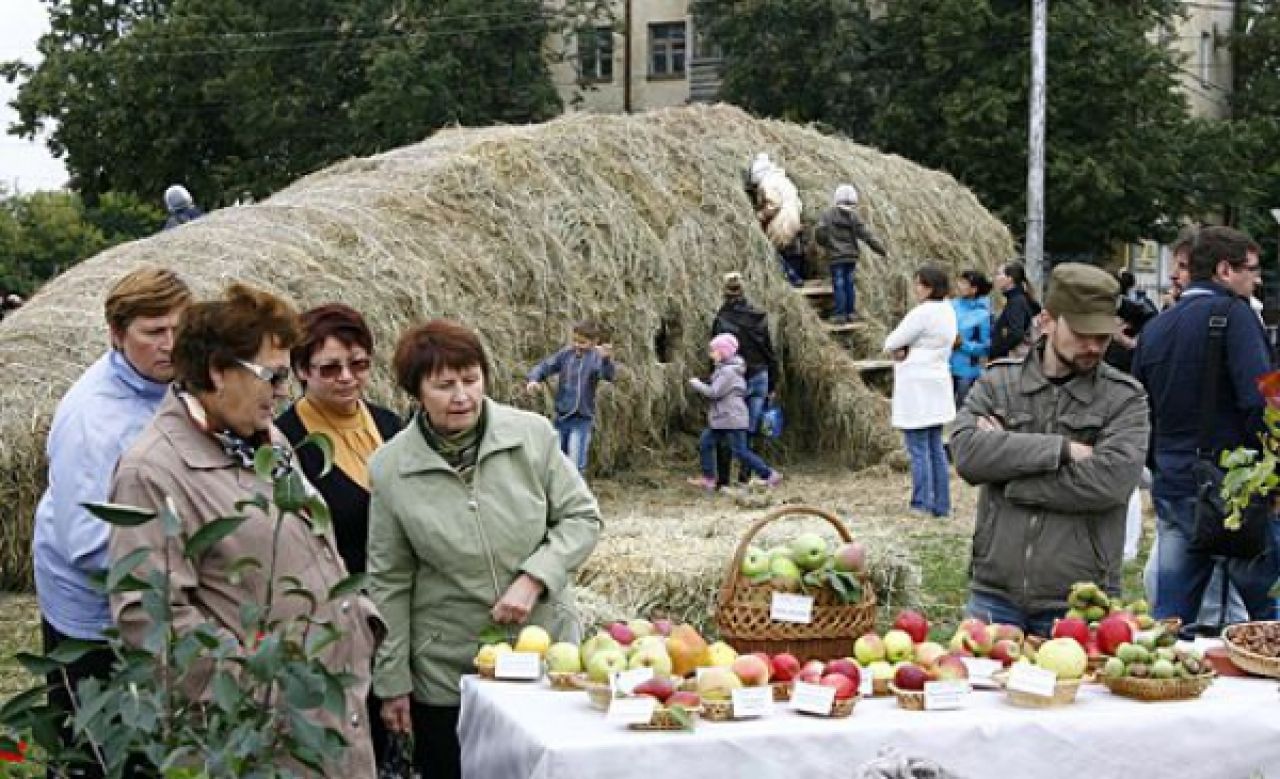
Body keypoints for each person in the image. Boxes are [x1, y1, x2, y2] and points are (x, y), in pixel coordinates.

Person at [108, 284, 383, 778]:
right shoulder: (154, 471)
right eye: (272, 376)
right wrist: (269, 694)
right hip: (263, 742)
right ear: (217, 371)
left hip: (334, 714)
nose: (282, 392)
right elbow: (153, 623)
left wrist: (359, 625)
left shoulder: (263, 438)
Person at [369, 319, 602, 779]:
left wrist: (534, 578)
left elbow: (582, 517)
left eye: (471, 380)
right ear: (416, 391)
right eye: (444, 385)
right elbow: (389, 579)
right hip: (450, 667)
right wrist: (392, 681)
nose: (462, 396)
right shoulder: (391, 467)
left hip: (547, 654)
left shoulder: (531, 435)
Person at [31, 267, 191, 779]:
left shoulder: (172, 383)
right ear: (117, 335)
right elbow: (90, 545)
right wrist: (193, 569)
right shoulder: (92, 419)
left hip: (154, 596)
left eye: (178, 329)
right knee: (98, 748)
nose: (170, 345)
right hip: (96, 619)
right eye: (153, 332)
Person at [952, 263, 1149, 636]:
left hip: (1081, 599)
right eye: (1081, 334)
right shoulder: (999, 382)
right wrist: (1060, 449)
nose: (1093, 347)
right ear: (1046, 321)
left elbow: (1111, 481)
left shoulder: (1125, 399)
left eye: (1103, 337)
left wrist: (1013, 480)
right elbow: (966, 454)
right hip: (993, 594)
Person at [1132, 226, 1280, 627]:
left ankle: (1166, 680)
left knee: (1171, 619)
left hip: (1175, 483)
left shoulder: (1155, 329)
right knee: (1268, 614)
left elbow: (1140, 412)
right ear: (1224, 270)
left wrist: (1162, 464)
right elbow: (1264, 402)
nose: (1258, 279)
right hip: (1236, 489)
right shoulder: (1237, 317)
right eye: (1252, 269)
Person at [275, 304, 403, 766]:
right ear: (300, 370)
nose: (347, 377)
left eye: (359, 364)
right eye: (329, 368)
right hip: (335, 622)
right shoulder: (284, 442)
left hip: (399, 610)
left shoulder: (391, 425)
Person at [884, 265, 958, 518]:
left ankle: (921, 502)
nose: (915, 289)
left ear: (928, 287)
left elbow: (891, 341)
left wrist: (903, 348)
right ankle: (941, 504)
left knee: (918, 449)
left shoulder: (922, 313)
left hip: (916, 383)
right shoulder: (948, 310)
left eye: (918, 284)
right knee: (935, 446)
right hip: (937, 380)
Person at [710, 272, 780, 489]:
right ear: (743, 290)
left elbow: (717, 355)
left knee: (724, 427)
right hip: (760, 376)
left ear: (724, 291)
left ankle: (723, 480)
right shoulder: (758, 316)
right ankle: (745, 477)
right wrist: (774, 383)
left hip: (733, 381)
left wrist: (713, 384)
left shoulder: (721, 319)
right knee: (749, 429)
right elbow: (769, 351)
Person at [687, 333, 782, 491]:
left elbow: (714, 392)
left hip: (732, 418)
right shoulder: (725, 369)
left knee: (740, 451)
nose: (711, 354)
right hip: (724, 418)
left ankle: (769, 475)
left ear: (723, 352)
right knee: (706, 442)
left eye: (714, 351)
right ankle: (709, 478)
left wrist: (696, 384)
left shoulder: (728, 372)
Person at [524, 320, 617, 473]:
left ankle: (576, 493)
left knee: (575, 461)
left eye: (582, 342)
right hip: (562, 416)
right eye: (574, 340)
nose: (577, 345)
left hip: (582, 418)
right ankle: (557, 493)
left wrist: (606, 359)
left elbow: (608, 375)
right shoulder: (566, 355)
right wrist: (534, 379)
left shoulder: (596, 358)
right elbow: (545, 366)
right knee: (557, 459)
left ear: (594, 342)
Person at [814, 184, 888, 324]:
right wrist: (881, 249)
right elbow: (867, 235)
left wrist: (826, 244)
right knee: (849, 283)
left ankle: (840, 315)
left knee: (839, 284)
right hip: (851, 257)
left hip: (836, 256)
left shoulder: (828, 215)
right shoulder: (854, 217)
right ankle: (851, 313)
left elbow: (820, 233)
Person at [748, 153, 805, 285]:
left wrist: (760, 216)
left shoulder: (766, 183)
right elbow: (798, 202)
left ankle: (792, 280)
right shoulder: (784, 180)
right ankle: (797, 276)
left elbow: (774, 204)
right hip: (794, 217)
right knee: (792, 250)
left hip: (781, 220)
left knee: (772, 250)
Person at [949, 270, 993, 407]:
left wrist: (962, 344)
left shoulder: (984, 315)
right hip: (946, 367)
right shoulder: (951, 305)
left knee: (962, 411)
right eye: (959, 281)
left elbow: (986, 347)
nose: (959, 285)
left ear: (974, 289)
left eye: (964, 283)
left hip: (967, 373)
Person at [989, 261, 1041, 360]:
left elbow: (1016, 334)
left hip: (1013, 362)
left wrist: (996, 350)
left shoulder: (1016, 302)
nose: (995, 278)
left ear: (1009, 279)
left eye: (999, 274)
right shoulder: (1019, 298)